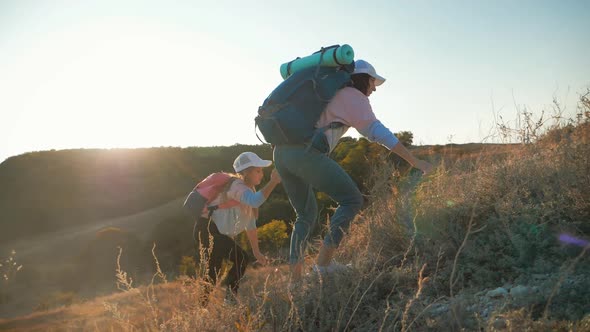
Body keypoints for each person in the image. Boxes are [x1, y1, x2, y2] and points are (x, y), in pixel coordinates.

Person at [273, 59, 433, 280]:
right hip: (305, 153)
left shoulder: (327, 94)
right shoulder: (352, 96)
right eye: (372, 82)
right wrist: (414, 161)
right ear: (362, 79)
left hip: (281, 154)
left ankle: (295, 281)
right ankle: (323, 266)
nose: (374, 88)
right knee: (351, 200)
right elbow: (377, 132)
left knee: (305, 215)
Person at [194, 151, 281, 302]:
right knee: (239, 258)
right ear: (246, 172)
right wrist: (273, 182)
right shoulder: (236, 186)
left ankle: (205, 307)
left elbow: (250, 224)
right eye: (258, 170)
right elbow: (255, 201)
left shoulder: (247, 189)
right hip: (207, 229)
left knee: (214, 272)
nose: (261, 174)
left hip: (213, 232)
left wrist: (257, 251)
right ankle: (229, 297)